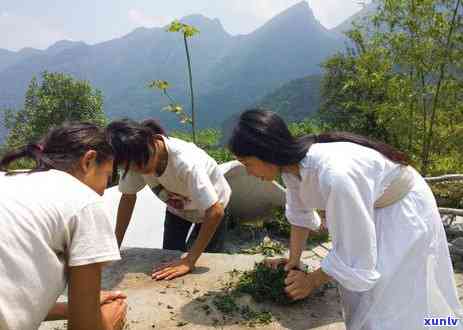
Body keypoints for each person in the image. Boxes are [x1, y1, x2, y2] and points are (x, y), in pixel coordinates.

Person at [228, 109, 463, 330]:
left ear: (267, 153)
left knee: (395, 299)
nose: (249, 172)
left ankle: (440, 324)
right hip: (373, 206)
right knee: (368, 296)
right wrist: (294, 261)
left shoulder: (335, 175)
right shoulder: (291, 168)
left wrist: (311, 281)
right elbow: (300, 216)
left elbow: (354, 251)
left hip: (401, 211)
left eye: (248, 164)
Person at [0, 123, 127, 330]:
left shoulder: (9, 179)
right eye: (107, 175)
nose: (104, 191)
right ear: (88, 160)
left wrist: (75, 307)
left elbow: (11, 299)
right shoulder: (83, 200)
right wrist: (108, 322)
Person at [106, 119, 231, 281]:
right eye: (133, 167)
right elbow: (128, 198)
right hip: (179, 207)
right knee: (168, 258)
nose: (140, 169)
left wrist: (189, 260)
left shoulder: (185, 162)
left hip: (213, 205)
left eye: (142, 163)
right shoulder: (135, 158)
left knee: (207, 258)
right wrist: (115, 244)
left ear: (151, 142)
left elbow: (215, 211)